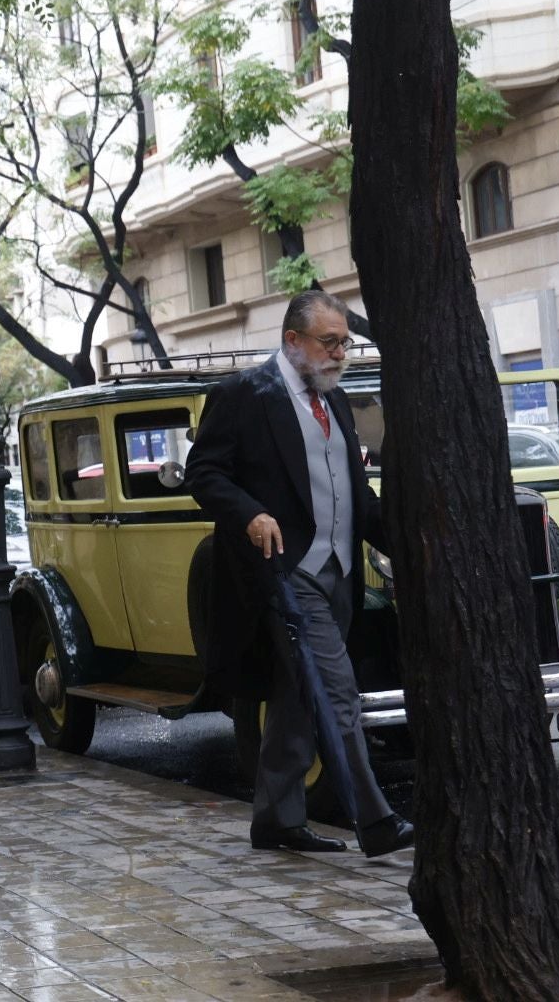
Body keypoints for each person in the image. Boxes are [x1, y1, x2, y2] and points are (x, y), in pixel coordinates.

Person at [185, 290, 414, 858]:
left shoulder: (334, 402)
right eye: (329, 342)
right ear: (293, 341)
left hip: (339, 573)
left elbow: (354, 495)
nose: (341, 353)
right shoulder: (244, 394)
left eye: (346, 342)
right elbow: (204, 474)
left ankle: (277, 820)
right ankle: (375, 821)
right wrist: (250, 514)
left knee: (294, 698)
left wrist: (409, 548)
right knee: (338, 693)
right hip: (286, 575)